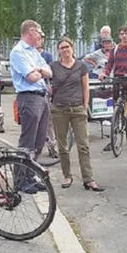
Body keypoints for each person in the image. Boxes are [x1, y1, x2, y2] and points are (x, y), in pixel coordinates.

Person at [50, 37, 104, 191]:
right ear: (58, 50)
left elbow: (85, 87)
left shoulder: (81, 66)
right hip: (59, 109)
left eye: (67, 46)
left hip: (77, 108)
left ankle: (88, 179)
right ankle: (67, 175)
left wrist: (84, 105)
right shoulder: (53, 66)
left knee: (83, 145)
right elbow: (48, 84)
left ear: (72, 48)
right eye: (62, 47)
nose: (65, 50)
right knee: (62, 145)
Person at [10, 20, 52, 162]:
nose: (40, 36)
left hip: (42, 97)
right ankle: (21, 179)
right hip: (29, 98)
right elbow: (31, 77)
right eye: (39, 33)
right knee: (28, 142)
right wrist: (40, 71)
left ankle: (31, 174)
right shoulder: (18, 52)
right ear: (31, 32)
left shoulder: (34, 52)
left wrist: (39, 69)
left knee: (39, 141)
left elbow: (50, 72)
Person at [99, 25, 127, 149]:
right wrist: (104, 73)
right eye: (122, 33)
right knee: (116, 108)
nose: (124, 36)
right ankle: (114, 136)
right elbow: (109, 66)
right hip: (118, 80)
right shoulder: (115, 50)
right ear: (119, 36)